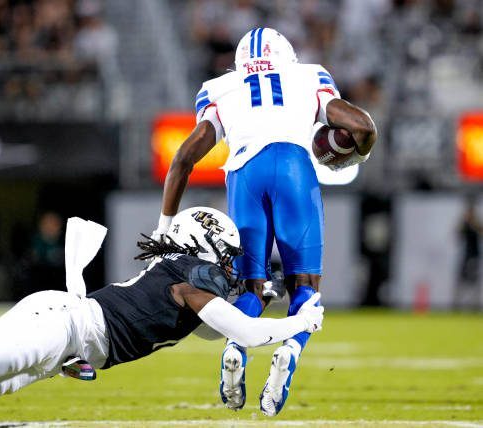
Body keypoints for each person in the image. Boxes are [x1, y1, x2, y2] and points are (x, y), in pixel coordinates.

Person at [0, 207, 324, 403]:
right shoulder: (184, 278)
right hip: (60, 327)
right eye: (223, 258)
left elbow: (218, 329)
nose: (227, 270)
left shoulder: (189, 289)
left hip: (65, 349)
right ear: (199, 247)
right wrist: (301, 319)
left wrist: (261, 302)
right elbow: (242, 334)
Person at [151, 28, 377, 415]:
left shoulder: (219, 87)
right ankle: (289, 351)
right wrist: (357, 156)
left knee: (250, 288)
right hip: (294, 168)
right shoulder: (310, 76)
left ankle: (235, 348)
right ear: (286, 54)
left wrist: (164, 224)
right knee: (305, 285)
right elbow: (363, 127)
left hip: (243, 174)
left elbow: (183, 159)